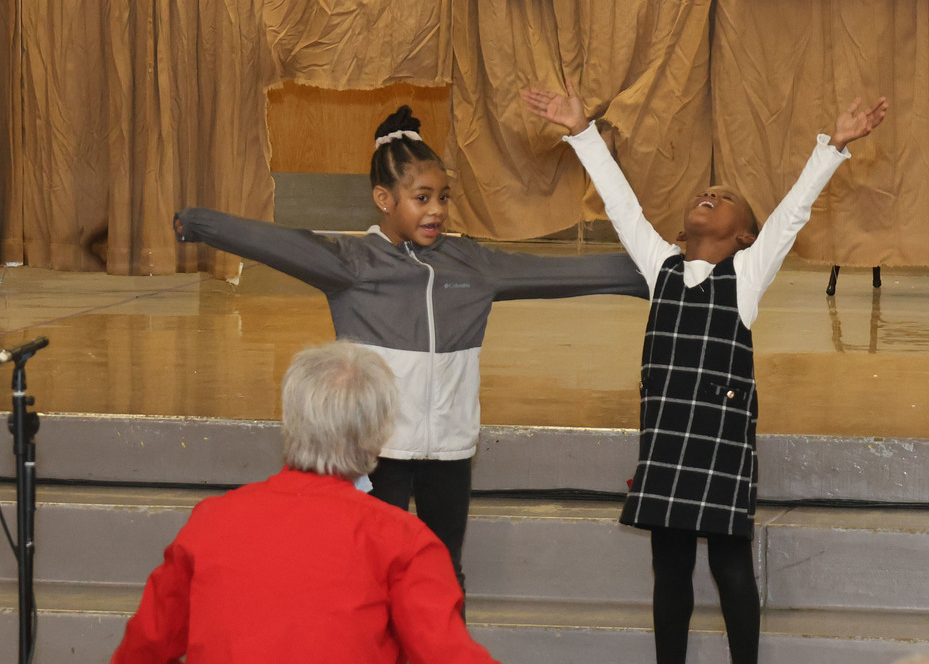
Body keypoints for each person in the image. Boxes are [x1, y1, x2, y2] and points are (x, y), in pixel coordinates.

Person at [173, 105, 647, 592]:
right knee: (374, 576)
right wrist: (198, 224)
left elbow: (565, 274)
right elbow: (272, 241)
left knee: (443, 574)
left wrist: (661, 274)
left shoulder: (471, 265)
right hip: (376, 452)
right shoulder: (352, 264)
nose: (437, 210)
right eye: (422, 198)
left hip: (450, 453)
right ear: (384, 198)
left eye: (443, 197)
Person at [523, 82, 887, 664]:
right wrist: (581, 133)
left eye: (723, 197)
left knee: (730, 568)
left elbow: (792, 215)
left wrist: (833, 147)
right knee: (669, 573)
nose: (708, 195)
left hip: (718, 447)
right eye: (704, 191)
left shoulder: (745, 277)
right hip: (667, 443)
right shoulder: (659, 265)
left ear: (745, 235)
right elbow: (620, 203)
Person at [110, 340, 501, 664]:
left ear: (291, 422)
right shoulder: (402, 539)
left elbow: (145, 647)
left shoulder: (213, 519)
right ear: (378, 434)